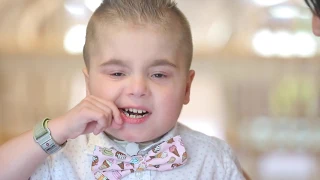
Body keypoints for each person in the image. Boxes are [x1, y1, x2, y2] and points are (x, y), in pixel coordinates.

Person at [0, 0, 245, 179]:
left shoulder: (215, 160)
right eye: (117, 73)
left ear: (186, 88)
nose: (137, 89)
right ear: (89, 85)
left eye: (158, 74)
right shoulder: (58, 157)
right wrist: (57, 129)